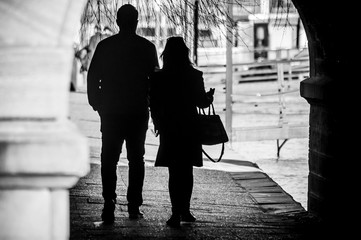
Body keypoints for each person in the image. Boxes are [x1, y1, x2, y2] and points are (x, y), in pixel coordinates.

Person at [87, 4, 159, 224]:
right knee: (136, 159)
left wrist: (97, 103)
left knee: (109, 158)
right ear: (137, 22)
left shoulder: (105, 46)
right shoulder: (147, 48)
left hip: (111, 111)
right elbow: (154, 83)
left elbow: (93, 77)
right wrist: (154, 110)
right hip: (137, 111)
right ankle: (134, 204)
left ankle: (109, 201)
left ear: (117, 22)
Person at [149, 37, 214, 227]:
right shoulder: (194, 75)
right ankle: (185, 210)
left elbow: (153, 103)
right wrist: (209, 97)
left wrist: (157, 122)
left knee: (174, 171)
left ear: (166, 54)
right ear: (185, 53)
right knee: (186, 171)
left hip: (169, 127)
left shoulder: (159, 77)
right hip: (189, 127)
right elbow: (201, 102)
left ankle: (175, 212)